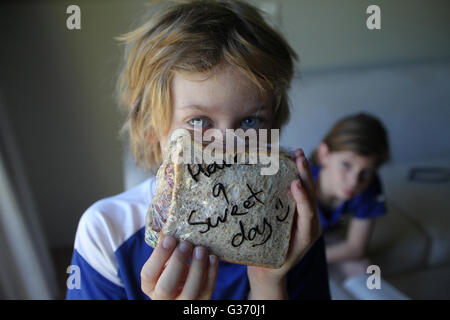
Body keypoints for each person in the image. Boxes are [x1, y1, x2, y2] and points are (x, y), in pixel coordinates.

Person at [66, 0, 330, 300]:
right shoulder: (106, 232)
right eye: (199, 121)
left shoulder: (294, 225)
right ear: (151, 127)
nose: (228, 146)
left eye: (250, 120)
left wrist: (269, 285)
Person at [310, 113, 390, 280]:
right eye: (346, 165)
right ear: (324, 154)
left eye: (366, 172)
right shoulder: (299, 181)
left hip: (327, 235)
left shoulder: (369, 186)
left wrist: (309, 257)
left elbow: (355, 248)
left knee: (366, 272)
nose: (354, 182)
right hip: (299, 236)